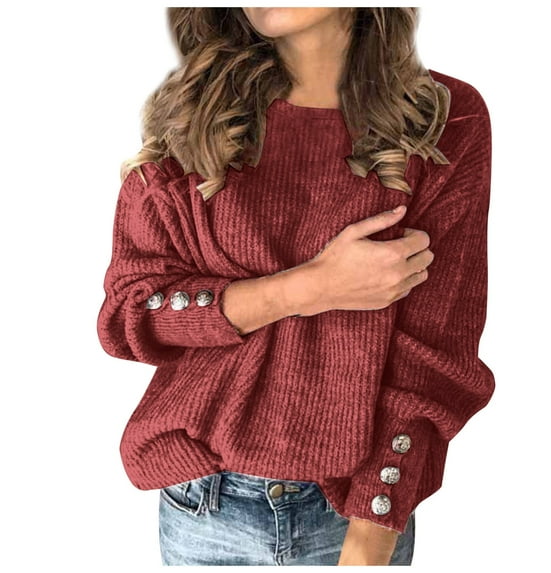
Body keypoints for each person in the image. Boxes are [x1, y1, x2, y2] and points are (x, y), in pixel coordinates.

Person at [97, 7, 495, 566]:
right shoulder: (194, 111)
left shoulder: (443, 118)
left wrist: (369, 537)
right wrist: (309, 288)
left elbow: (435, 354)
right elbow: (128, 315)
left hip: (352, 511)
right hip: (204, 503)